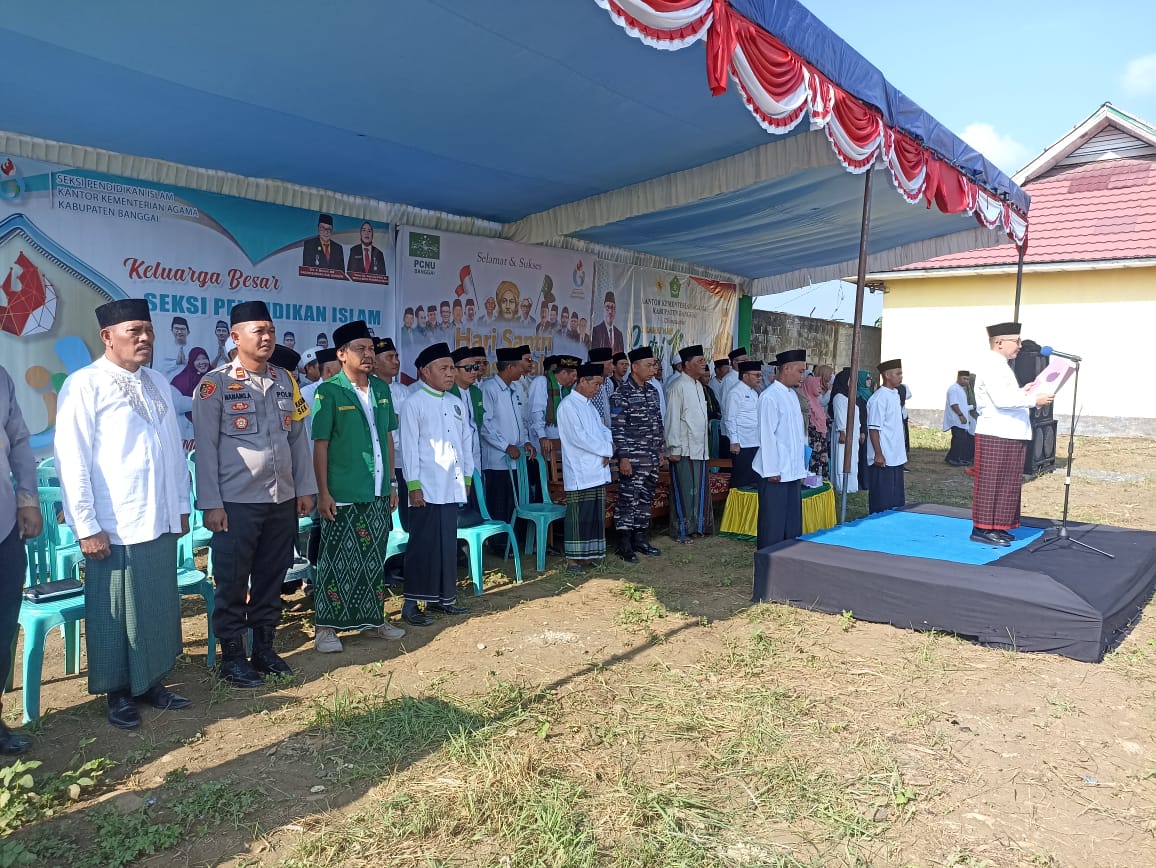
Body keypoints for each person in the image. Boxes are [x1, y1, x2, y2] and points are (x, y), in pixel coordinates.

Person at [55, 299, 192, 729]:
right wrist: (86, 526)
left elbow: (174, 453)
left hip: (159, 517)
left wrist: (181, 507)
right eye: (134, 331)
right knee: (114, 611)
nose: (145, 338)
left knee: (155, 604)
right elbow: (71, 459)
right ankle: (117, 692)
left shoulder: (158, 382)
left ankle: (151, 682)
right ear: (107, 337)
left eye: (148, 330)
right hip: (113, 524)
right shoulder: (85, 384)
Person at [192, 300, 317, 687]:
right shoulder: (214, 385)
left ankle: (264, 649)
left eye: (271, 330)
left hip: (281, 499)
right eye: (258, 331)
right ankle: (232, 656)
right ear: (235, 336)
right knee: (232, 579)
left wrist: (305, 488)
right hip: (236, 503)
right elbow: (205, 449)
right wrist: (211, 504)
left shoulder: (285, 380)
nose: (267, 337)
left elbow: (298, 439)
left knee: (271, 577)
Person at [310, 321, 404, 653]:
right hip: (343, 490)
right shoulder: (329, 391)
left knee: (373, 556)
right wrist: (323, 492)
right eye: (360, 349)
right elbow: (320, 445)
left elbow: (388, 437)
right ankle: (326, 627)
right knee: (335, 559)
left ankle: (373, 619)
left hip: (377, 488)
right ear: (341, 354)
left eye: (371, 349)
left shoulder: (381, 389)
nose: (368, 354)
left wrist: (392, 482)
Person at [400, 342, 474, 625]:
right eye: (443, 368)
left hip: (451, 485)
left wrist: (466, 478)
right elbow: (409, 448)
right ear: (425, 372)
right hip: (426, 488)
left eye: (452, 368)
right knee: (423, 546)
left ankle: (444, 599)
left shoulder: (456, 403)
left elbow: (466, 443)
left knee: (446, 545)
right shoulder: (414, 403)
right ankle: (411, 604)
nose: (450, 373)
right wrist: (413, 486)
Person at [971, 322, 1054, 546]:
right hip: (996, 432)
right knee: (992, 482)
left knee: (1007, 482)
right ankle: (983, 528)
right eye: (1016, 341)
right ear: (999, 343)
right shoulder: (992, 364)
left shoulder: (1002, 365)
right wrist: (1034, 400)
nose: (1019, 345)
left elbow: (1006, 395)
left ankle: (998, 525)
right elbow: (1002, 400)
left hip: (1009, 432)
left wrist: (1023, 391)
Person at [0, 365, 40, 752]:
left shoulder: (1, 379)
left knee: (1, 628)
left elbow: (19, 443)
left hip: (3, 528)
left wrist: (28, 498)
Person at [752, 349, 807, 566]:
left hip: (791, 470)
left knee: (791, 522)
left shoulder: (792, 395)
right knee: (773, 522)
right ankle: (769, 563)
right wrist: (772, 470)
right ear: (787, 369)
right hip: (774, 472)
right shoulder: (769, 396)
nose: (803, 376)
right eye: (800, 371)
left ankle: (788, 561)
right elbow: (766, 436)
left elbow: (796, 436)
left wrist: (800, 468)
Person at [557, 363, 614, 571]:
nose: (598, 389)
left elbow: (603, 429)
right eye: (596, 384)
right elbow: (579, 438)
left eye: (600, 385)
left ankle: (589, 555)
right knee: (578, 515)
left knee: (593, 514)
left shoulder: (590, 405)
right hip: (580, 469)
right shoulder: (568, 406)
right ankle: (573, 559)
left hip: (597, 467)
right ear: (582, 381)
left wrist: (608, 447)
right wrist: (605, 449)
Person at [611, 347, 664, 562]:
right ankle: (624, 544)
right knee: (628, 500)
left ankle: (640, 538)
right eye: (648, 365)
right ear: (634, 367)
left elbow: (658, 423)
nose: (653, 369)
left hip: (651, 457)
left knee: (645, 498)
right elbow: (618, 429)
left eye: (654, 365)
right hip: (632, 459)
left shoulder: (652, 391)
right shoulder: (621, 394)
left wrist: (660, 450)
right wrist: (623, 457)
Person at [480, 347, 535, 552]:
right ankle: (499, 544)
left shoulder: (512, 389)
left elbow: (519, 421)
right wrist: (505, 446)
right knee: (500, 503)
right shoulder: (489, 389)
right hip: (497, 460)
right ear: (510, 367)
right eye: (519, 366)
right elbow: (484, 424)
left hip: (515, 458)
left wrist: (525, 441)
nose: (522, 370)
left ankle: (514, 542)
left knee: (515, 502)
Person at [665, 345, 713, 542]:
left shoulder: (698, 386)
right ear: (686, 364)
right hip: (683, 449)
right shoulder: (677, 386)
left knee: (697, 491)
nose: (704, 364)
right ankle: (681, 531)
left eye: (704, 360)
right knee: (684, 491)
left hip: (700, 448)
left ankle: (697, 527)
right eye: (699, 361)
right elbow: (672, 419)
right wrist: (674, 448)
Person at [866, 359, 907, 514]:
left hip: (895, 454)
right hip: (884, 456)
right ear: (887, 375)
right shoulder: (879, 398)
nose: (901, 377)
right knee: (882, 499)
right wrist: (878, 453)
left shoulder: (895, 394)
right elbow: (873, 428)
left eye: (901, 373)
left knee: (896, 498)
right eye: (898, 374)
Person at [529, 354, 579, 458]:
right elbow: (537, 413)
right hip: (543, 444)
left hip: (561, 447)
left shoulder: (566, 390)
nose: (575, 379)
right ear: (564, 373)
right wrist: (542, 436)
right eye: (573, 376)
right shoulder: (542, 382)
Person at [724, 360, 762, 488]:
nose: (759, 378)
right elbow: (730, 418)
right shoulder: (735, 392)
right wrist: (734, 441)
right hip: (742, 443)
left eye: (760, 375)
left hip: (755, 441)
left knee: (754, 479)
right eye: (756, 375)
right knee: (741, 480)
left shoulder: (754, 392)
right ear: (745, 376)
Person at [828, 369, 863, 494]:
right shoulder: (839, 397)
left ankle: (851, 486)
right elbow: (839, 415)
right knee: (842, 458)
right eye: (850, 380)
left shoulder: (849, 396)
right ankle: (842, 486)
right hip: (843, 433)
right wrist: (842, 432)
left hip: (853, 432)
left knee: (852, 458)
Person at [169, 346, 211, 441]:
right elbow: (177, 405)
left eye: (204, 358)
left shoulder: (215, 376)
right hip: (188, 433)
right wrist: (203, 402)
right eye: (197, 359)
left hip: (212, 428)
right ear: (191, 361)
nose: (202, 362)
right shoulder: (181, 379)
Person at [943, 370, 976, 466]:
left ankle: (951, 458)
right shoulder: (954, 389)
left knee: (960, 440)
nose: (966, 381)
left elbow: (962, 405)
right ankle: (954, 459)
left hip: (960, 419)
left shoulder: (960, 389)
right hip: (956, 419)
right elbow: (954, 404)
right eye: (964, 379)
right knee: (958, 440)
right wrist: (961, 415)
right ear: (958, 378)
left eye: (967, 379)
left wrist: (972, 407)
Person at [800, 374, 829, 478]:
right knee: (812, 464)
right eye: (817, 386)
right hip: (811, 440)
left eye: (820, 386)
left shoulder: (817, 402)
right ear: (810, 386)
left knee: (822, 462)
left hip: (820, 440)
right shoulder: (805, 404)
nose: (820, 388)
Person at [587, 347, 615, 428]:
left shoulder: (609, 383)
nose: (613, 367)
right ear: (599, 366)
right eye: (610, 364)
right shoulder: (586, 383)